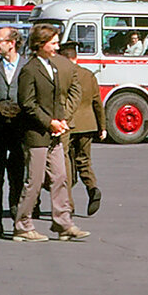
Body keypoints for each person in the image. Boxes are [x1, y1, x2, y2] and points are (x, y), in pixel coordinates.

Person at [13, 24, 86, 241]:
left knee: (60, 177)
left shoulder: (51, 67)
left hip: (54, 131)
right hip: (36, 134)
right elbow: (28, 104)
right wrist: (50, 122)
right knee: (34, 181)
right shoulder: (30, 70)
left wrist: (61, 120)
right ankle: (23, 225)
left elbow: (56, 99)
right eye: (53, 42)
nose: (57, 47)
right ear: (40, 44)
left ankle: (63, 223)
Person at [0, 26, 26, 237]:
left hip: (20, 130)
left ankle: (17, 219)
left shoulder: (27, 66)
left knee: (18, 176)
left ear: (11, 43)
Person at [61, 42, 105, 217]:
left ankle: (68, 205)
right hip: (88, 124)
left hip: (67, 124)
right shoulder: (88, 75)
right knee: (84, 160)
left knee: (66, 166)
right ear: (76, 57)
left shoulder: (62, 75)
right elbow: (97, 102)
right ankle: (92, 187)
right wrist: (102, 127)